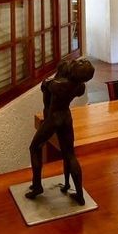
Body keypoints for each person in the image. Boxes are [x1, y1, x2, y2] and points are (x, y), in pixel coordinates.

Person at [25, 57, 95, 205]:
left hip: (54, 118)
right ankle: (79, 194)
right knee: (69, 154)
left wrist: (52, 78)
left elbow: (45, 88)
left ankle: (37, 186)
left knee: (34, 147)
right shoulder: (80, 87)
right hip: (66, 118)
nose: (76, 61)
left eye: (79, 63)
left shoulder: (57, 85)